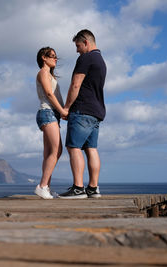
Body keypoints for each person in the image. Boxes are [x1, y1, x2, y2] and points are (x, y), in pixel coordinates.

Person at [59, 29, 107, 199]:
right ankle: (93, 189)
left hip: (82, 110)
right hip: (97, 112)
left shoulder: (86, 58)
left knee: (73, 147)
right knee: (91, 149)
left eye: (78, 46)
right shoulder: (101, 61)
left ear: (86, 42)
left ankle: (78, 188)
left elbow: (75, 85)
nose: (77, 50)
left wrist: (66, 107)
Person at [34, 47, 67, 199]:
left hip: (52, 114)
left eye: (55, 56)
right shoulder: (42, 73)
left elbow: (55, 96)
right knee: (57, 150)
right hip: (47, 113)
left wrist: (62, 111)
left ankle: (46, 187)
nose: (55, 59)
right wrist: (62, 110)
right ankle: (42, 186)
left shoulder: (50, 75)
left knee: (49, 154)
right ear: (43, 57)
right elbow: (48, 94)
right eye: (52, 56)